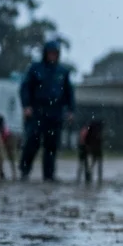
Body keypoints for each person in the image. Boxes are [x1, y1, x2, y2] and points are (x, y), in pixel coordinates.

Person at [18, 40, 75, 182]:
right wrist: (26, 106)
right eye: (50, 53)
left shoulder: (62, 72)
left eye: (55, 53)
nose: (52, 56)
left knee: (52, 145)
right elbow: (25, 88)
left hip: (55, 112)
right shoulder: (35, 69)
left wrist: (70, 110)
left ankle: (48, 175)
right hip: (38, 111)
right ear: (45, 53)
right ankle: (24, 171)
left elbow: (69, 92)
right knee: (32, 141)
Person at [0, 114, 19, 180]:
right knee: (1, 158)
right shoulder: (0, 127)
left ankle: (11, 174)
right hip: (6, 138)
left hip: (9, 138)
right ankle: (1, 174)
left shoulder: (3, 127)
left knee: (9, 157)